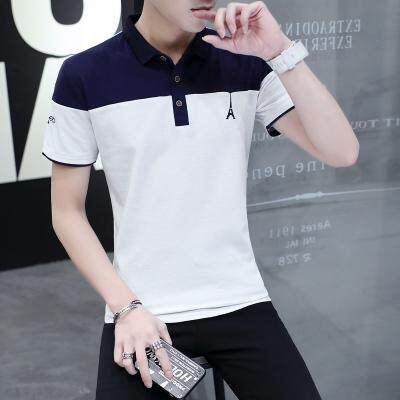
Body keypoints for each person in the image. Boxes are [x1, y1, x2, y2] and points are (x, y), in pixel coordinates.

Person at [42, 0, 358, 398]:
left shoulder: (244, 61)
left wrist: (279, 51)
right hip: (142, 309)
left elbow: (342, 152)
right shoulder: (85, 74)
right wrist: (126, 307)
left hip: (240, 301)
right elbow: (66, 212)